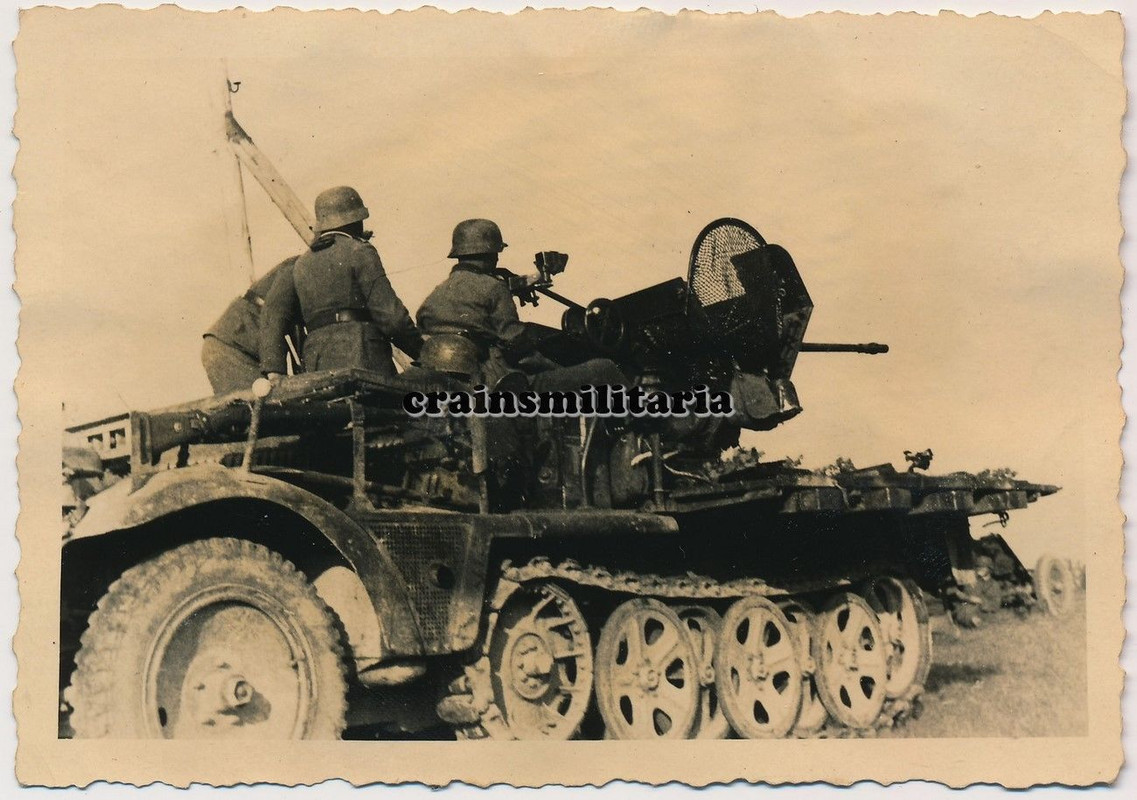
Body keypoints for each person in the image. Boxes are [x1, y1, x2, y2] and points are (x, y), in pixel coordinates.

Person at [416, 219, 626, 391]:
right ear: (492, 254)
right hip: (496, 383)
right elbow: (517, 348)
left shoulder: (436, 294)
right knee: (604, 369)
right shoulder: (493, 288)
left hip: (452, 382)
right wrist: (553, 365)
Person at [260, 186, 423, 379]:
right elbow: (392, 319)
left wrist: (274, 369)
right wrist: (423, 353)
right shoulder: (360, 251)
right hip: (363, 355)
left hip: (316, 363)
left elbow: (274, 316)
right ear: (355, 221)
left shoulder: (301, 263)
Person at [201, 256, 297, 394]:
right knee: (266, 407)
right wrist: (275, 371)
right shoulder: (300, 265)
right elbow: (274, 316)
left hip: (238, 344)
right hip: (231, 347)